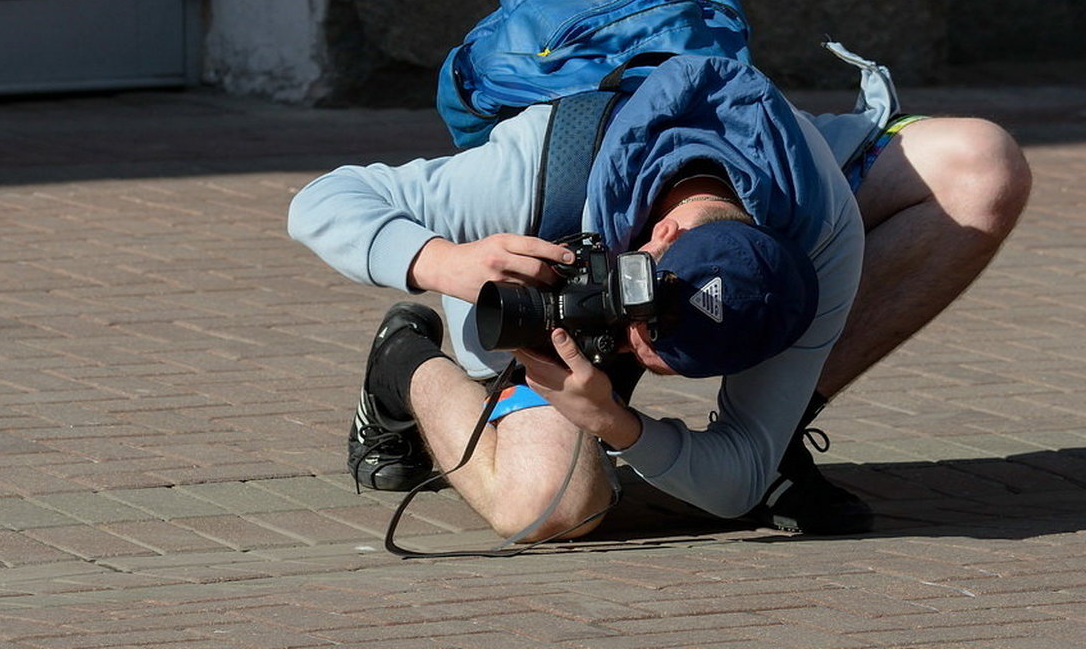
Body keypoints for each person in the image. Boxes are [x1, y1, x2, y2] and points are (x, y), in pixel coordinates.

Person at [288, 49, 1031, 540]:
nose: (653, 366)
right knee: (547, 509)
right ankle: (403, 364)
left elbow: (736, 477)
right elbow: (321, 200)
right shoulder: (530, 173)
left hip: (761, 214)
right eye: (651, 335)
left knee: (981, 165)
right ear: (663, 235)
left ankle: (784, 429)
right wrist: (442, 260)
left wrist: (621, 426)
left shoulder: (819, 237)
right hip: (539, 252)